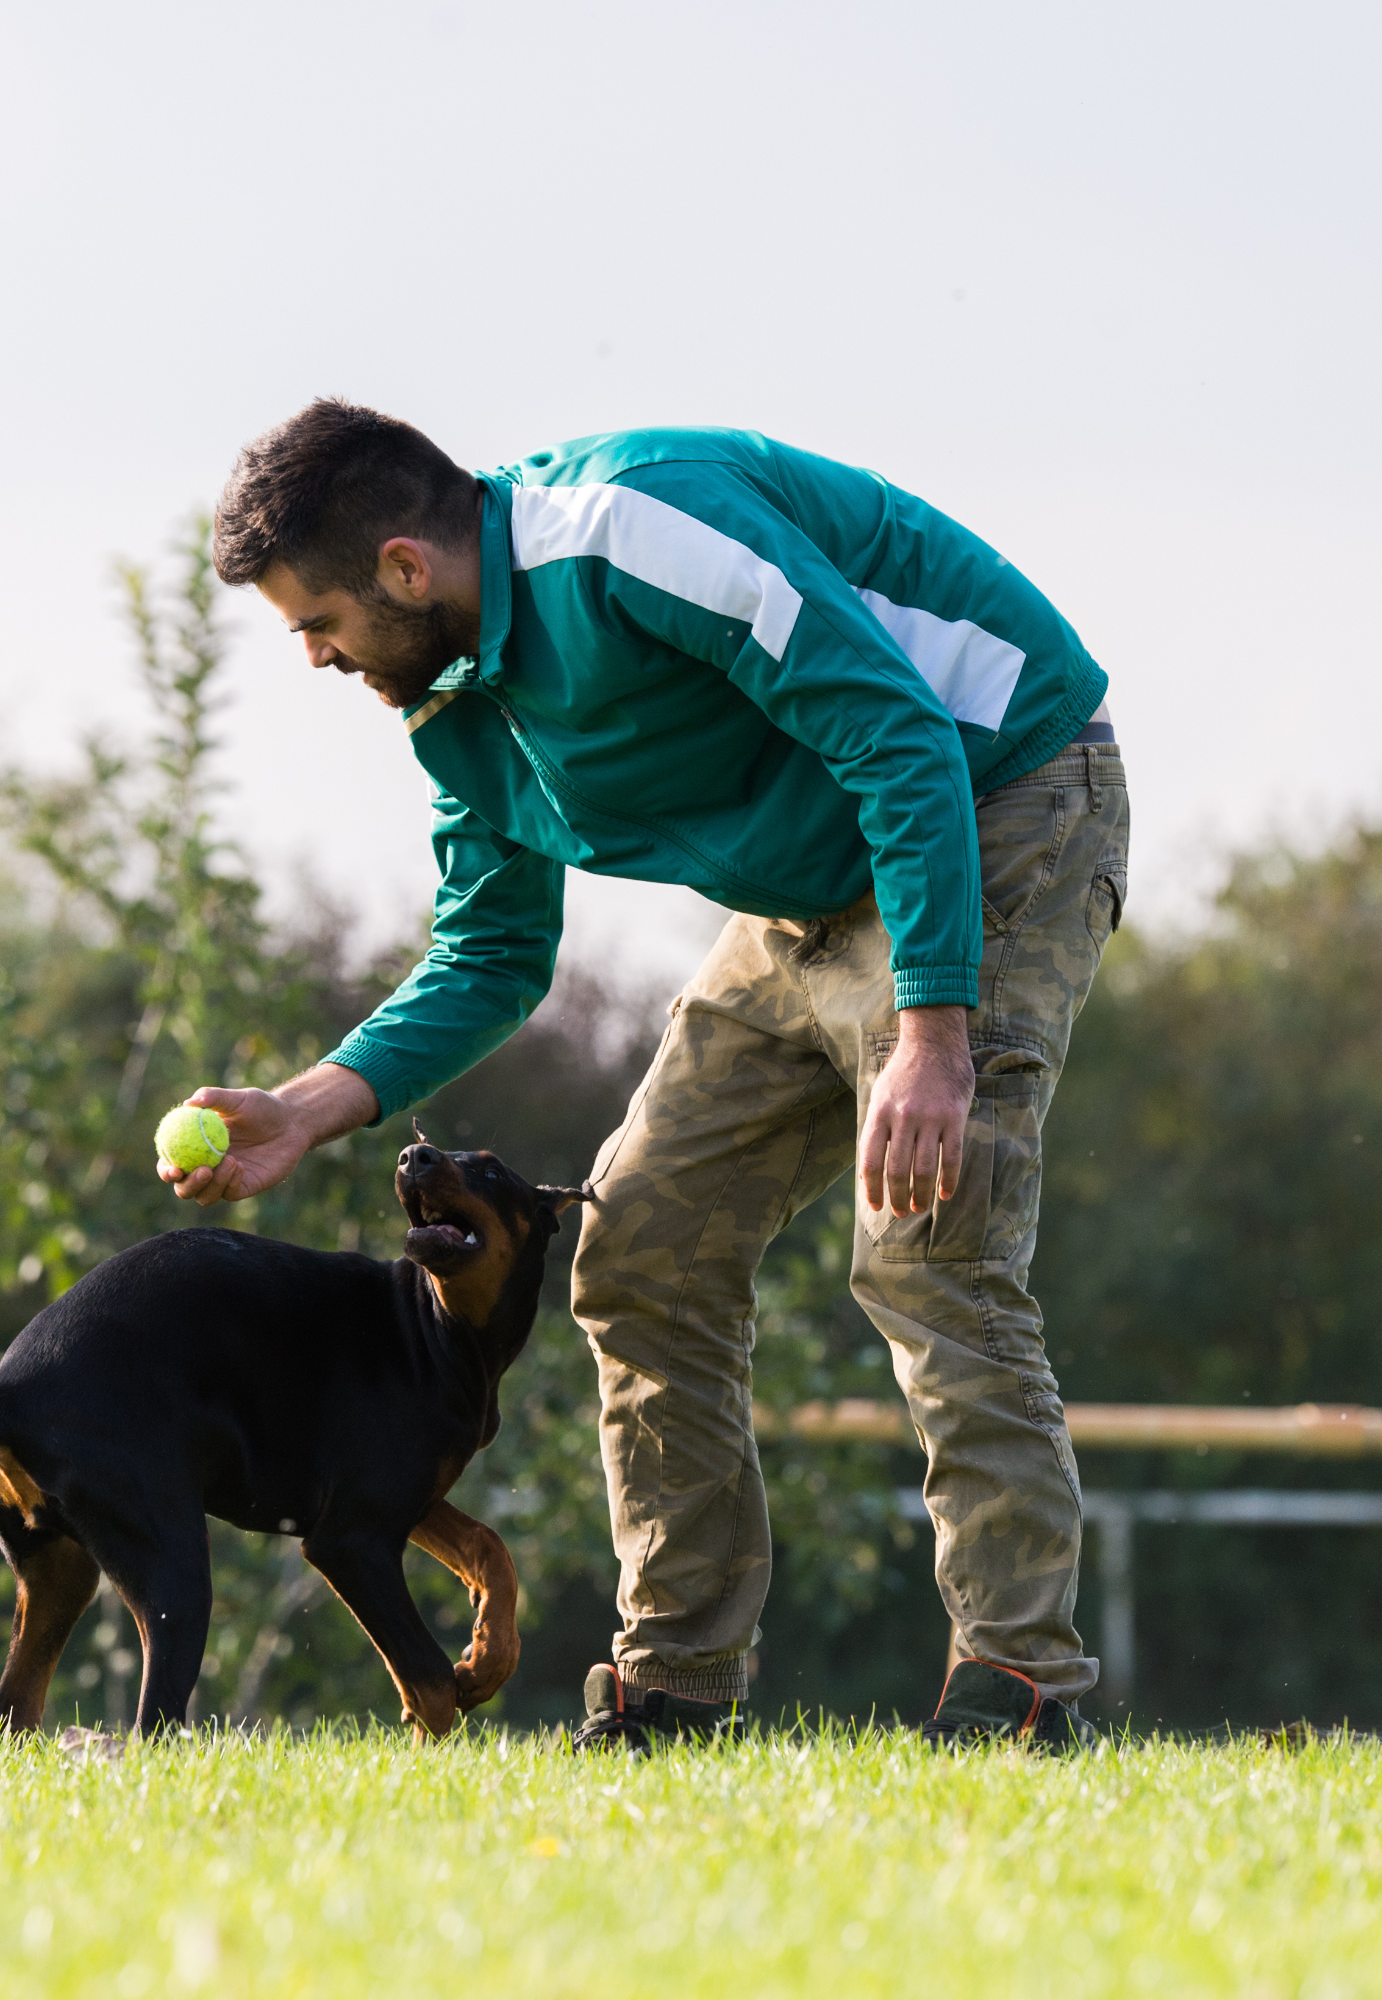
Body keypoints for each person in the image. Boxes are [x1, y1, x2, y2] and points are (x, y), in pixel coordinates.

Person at [168, 401, 1127, 1750]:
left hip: (997, 799)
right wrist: (310, 1102)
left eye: (314, 624)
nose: (317, 660)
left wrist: (930, 1031)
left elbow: (898, 735)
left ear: (403, 567)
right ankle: (675, 1683)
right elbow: (493, 951)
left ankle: (1019, 1688)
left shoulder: (630, 534)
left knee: (928, 1246)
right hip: (803, 895)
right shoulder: (453, 703)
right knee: (636, 1247)